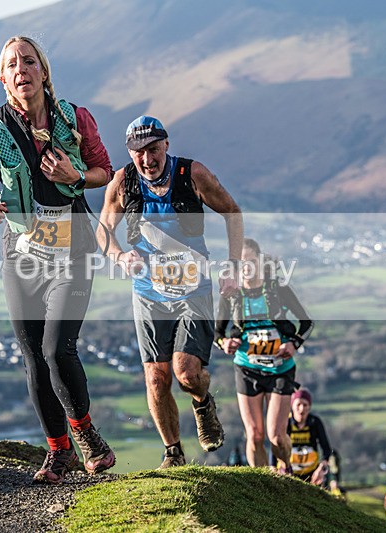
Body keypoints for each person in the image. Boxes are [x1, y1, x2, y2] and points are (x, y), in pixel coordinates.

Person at [0, 36, 115, 484]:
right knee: (33, 357)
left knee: (56, 349)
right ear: (3, 79)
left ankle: (86, 435)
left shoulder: (75, 118)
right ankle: (58, 452)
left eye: (28, 61)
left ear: (43, 71)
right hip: (22, 255)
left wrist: (75, 175)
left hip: (72, 248)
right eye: (12, 65)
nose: (21, 69)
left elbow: (105, 171)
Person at [98, 115, 243, 468]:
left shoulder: (192, 175)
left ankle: (202, 402)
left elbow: (232, 212)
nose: (147, 159)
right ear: (130, 153)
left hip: (193, 290)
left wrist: (234, 266)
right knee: (156, 377)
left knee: (187, 373)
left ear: (166, 144)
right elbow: (103, 230)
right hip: (149, 293)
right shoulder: (123, 183)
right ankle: (173, 453)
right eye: (139, 152)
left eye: (153, 149)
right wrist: (120, 256)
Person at [215, 238, 313, 473]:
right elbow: (217, 332)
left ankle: (285, 469)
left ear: (259, 262)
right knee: (255, 435)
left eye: (250, 261)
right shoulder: (232, 294)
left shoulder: (278, 290)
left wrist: (294, 343)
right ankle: (260, 480)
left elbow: (307, 323)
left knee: (276, 436)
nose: (246, 268)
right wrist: (225, 342)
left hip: (280, 369)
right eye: (240, 263)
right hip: (247, 368)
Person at [287, 390, 333, 484]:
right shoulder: (286, 422)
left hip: (312, 474)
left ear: (309, 407)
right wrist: (274, 467)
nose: (302, 409)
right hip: (289, 472)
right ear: (292, 406)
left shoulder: (315, 422)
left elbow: (326, 449)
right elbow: (276, 446)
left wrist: (321, 469)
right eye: (298, 404)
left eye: (305, 405)